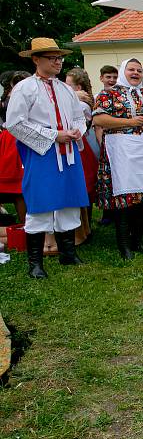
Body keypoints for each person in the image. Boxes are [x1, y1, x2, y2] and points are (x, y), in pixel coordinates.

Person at [5, 38, 89, 278]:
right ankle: (35, 264)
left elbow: (78, 117)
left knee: (69, 200)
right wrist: (54, 136)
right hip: (41, 153)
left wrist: (76, 132)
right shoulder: (25, 88)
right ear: (36, 59)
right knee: (41, 202)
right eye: (52, 58)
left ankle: (68, 254)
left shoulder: (65, 89)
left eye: (59, 57)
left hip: (69, 153)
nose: (58, 62)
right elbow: (15, 123)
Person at [93, 58, 143, 259]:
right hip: (121, 149)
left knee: (141, 193)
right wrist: (130, 121)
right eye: (131, 69)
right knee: (124, 196)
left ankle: (138, 240)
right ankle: (124, 245)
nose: (135, 73)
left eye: (139, 70)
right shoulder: (108, 93)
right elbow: (99, 119)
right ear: (123, 71)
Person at [65, 67, 99, 246]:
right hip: (79, 146)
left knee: (80, 190)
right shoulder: (77, 100)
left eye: (68, 85)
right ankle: (84, 229)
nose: (64, 87)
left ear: (78, 87)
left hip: (79, 147)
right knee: (80, 191)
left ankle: (81, 231)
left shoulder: (82, 104)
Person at [0, 72, 29, 224]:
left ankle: (25, 224)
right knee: (16, 184)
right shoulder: (8, 95)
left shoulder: (18, 95)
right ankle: (20, 224)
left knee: (20, 185)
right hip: (9, 138)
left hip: (18, 136)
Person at [96, 65, 118, 226]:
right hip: (104, 141)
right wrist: (100, 144)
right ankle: (107, 213)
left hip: (118, 143)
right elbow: (98, 125)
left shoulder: (120, 96)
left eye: (114, 77)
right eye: (108, 77)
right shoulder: (99, 97)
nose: (111, 80)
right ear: (101, 78)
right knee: (106, 179)